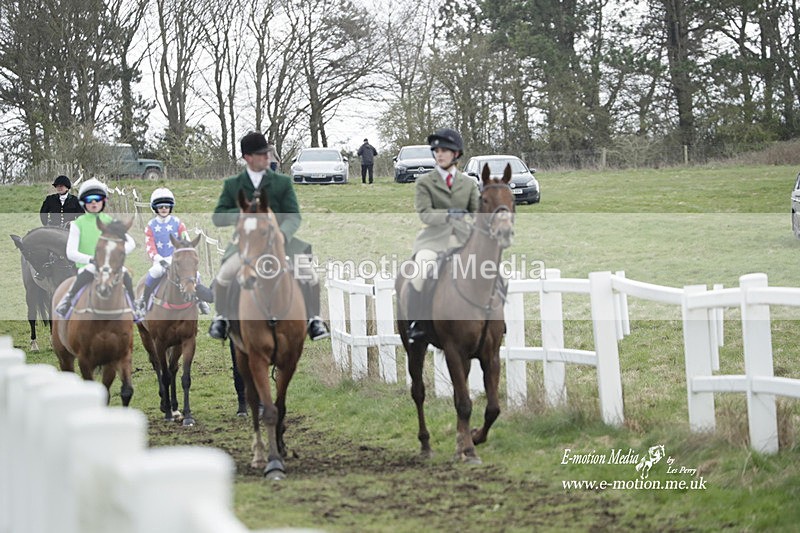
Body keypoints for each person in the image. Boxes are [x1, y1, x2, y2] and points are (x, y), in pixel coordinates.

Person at [208, 131, 329, 341]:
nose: (267, 157)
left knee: (310, 276)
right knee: (224, 275)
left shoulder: (282, 182)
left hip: (281, 242)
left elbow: (293, 215)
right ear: (248, 157)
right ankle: (222, 318)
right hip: (246, 244)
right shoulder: (233, 184)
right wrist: (243, 215)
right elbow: (218, 216)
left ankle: (314, 319)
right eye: (262, 154)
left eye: (268, 153)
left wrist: (283, 234)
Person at [405, 128, 479, 342]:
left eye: (444, 150)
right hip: (433, 241)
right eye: (436, 151)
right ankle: (417, 323)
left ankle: (494, 318)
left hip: (462, 240)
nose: (439, 154)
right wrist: (448, 214)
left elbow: (477, 212)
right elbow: (425, 214)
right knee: (419, 273)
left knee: (492, 270)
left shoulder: (468, 183)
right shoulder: (425, 182)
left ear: (456, 154)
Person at [54, 178, 143, 322]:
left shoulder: (109, 221)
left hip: (110, 267)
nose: (94, 202)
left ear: (103, 201)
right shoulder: (78, 224)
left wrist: (114, 255)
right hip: (88, 265)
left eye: (98, 199)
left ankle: (134, 306)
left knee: (126, 275)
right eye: (89, 199)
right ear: (83, 202)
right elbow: (70, 253)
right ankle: (67, 301)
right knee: (85, 274)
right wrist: (91, 259)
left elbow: (131, 242)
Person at [135, 187, 213, 315]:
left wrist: (187, 253)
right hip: (160, 260)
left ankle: (200, 301)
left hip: (178, 258)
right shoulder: (150, 226)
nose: (164, 209)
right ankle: (144, 300)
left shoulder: (178, 223)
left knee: (196, 275)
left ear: (170, 207)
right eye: (160, 206)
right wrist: (159, 259)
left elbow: (186, 241)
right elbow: (150, 247)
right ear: (155, 208)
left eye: (166, 206)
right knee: (154, 272)